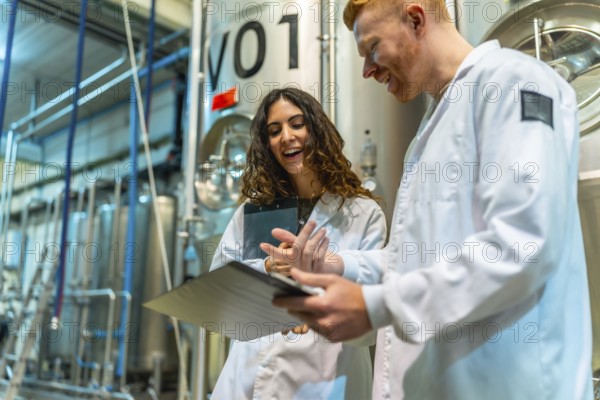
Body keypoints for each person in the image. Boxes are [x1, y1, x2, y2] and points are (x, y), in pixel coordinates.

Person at [266, 1, 594, 399]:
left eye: (371, 48)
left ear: (416, 19)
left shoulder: (515, 82)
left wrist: (377, 305)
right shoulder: (430, 129)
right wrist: (338, 265)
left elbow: (521, 246)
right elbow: (414, 257)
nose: (367, 70)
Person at [209, 87, 387, 399]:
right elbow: (218, 288)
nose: (286, 136)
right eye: (274, 131)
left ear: (317, 131)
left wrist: (323, 273)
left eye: (297, 124)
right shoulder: (253, 212)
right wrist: (267, 265)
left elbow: (375, 302)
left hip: (325, 378)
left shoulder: (362, 212)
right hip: (249, 378)